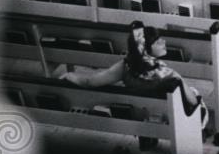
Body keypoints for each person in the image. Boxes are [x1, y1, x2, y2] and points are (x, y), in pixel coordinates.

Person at [57, 21, 208, 141]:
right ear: (146, 49)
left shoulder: (125, 67)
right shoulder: (171, 76)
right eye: (157, 41)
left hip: (137, 116)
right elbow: (193, 102)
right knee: (196, 97)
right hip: (171, 118)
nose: (163, 41)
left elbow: (90, 82)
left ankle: (148, 135)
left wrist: (71, 75)